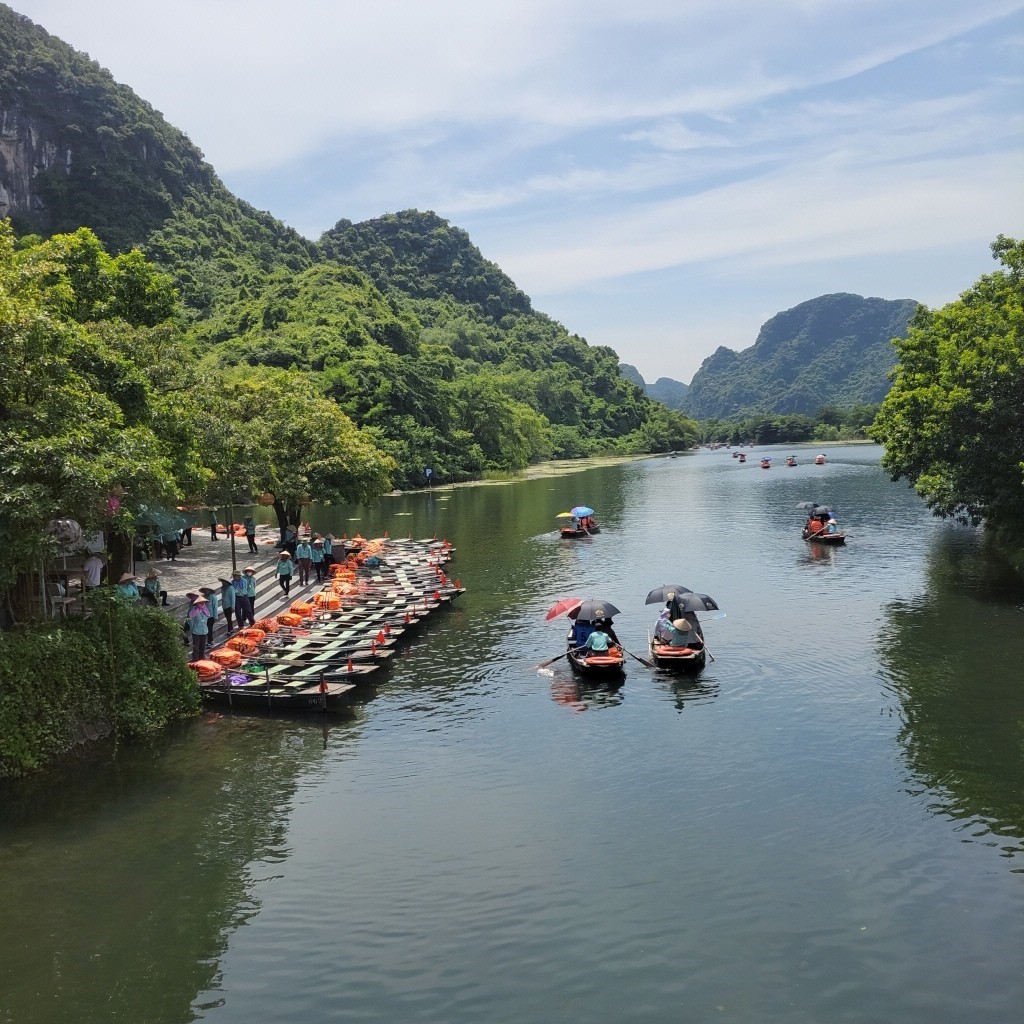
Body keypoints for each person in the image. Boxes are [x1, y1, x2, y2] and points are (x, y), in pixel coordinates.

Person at [188, 594, 210, 661]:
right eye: (201, 602)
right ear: (197, 603)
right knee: (196, 648)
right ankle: (195, 660)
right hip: (196, 632)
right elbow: (191, 622)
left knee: (202, 647)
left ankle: (201, 660)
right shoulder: (193, 611)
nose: (202, 603)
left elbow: (207, 620)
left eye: (203, 602)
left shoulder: (206, 610)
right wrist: (192, 630)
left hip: (204, 631)